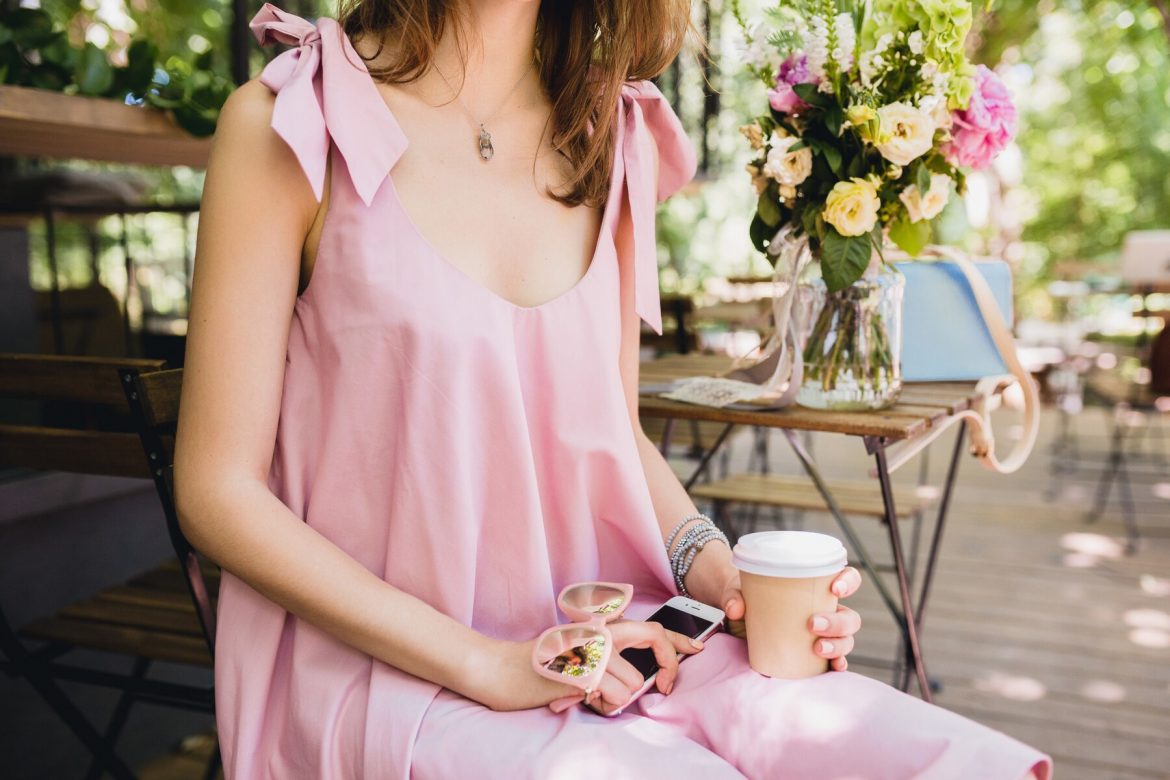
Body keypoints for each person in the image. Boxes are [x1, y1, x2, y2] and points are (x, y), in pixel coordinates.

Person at [174, 1, 1054, 777]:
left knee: (919, 752)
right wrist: (490, 665)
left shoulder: (611, 133)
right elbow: (218, 493)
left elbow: (607, 428)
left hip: (616, 635)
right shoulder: (289, 122)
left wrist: (718, 575)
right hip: (386, 676)